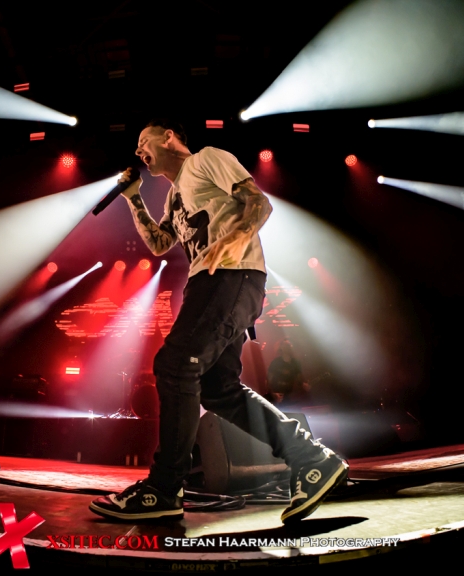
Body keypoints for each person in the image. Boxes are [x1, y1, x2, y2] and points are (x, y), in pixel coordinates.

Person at [89, 119, 348, 523]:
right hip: (210, 283)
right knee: (217, 388)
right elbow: (160, 244)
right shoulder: (174, 197)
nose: (140, 150)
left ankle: (164, 487)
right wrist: (133, 199)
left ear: (170, 138)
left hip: (232, 274)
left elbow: (259, 203)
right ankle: (312, 460)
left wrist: (231, 241)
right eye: (137, 147)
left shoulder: (207, 159)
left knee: (175, 366)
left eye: (145, 141)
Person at [267, 339, 310, 407]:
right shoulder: (275, 362)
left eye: (289, 345)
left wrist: (304, 385)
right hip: (276, 395)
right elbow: (268, 380)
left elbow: (299, 380)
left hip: (289, 397)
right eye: (286, 345)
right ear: (281, 347)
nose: (288, 346)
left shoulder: (295, 363)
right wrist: (273, 394)